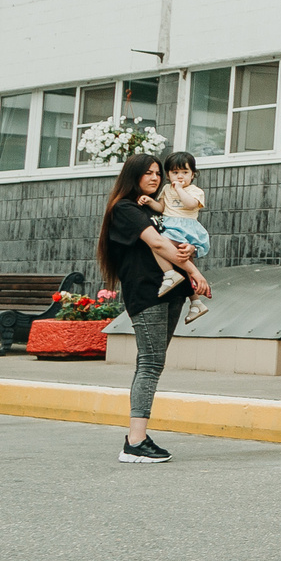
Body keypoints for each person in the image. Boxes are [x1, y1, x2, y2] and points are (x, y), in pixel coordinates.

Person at [96, 155, 209, 465]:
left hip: (173, 290)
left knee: (153, 362)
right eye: (147, 173)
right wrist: (196, 272)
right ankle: (135, 442)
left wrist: (189, 249)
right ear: (132, 175)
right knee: (149, 362)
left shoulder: (154, 207)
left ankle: (137, 439)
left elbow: (175, 238)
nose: (155, 178)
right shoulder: (125, 208)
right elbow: (158, 244)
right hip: (148, 292)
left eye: (158, 173)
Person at [153, 152, 213, 322]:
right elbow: (161, 207)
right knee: (185, 264)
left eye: (185, 172)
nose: (180, 176)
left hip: (186, 229)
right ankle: (196, 302)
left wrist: (179, 189)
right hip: (170, 225)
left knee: (158, 244)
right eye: (175, 172)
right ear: (168, 175)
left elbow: (191, 204)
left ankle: (169, 273)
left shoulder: (195, 191)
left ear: (193, 174)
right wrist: (150, 202)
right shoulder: (166, 189)